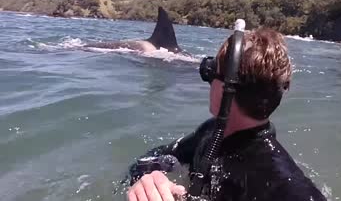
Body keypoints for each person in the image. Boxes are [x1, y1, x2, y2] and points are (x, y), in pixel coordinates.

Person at [125, 26, 327, 201]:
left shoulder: (280, 181)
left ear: (225, 90)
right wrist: (147, 179)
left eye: (211, 73)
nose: (209, 81)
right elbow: (154, 157)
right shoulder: (211, 132)